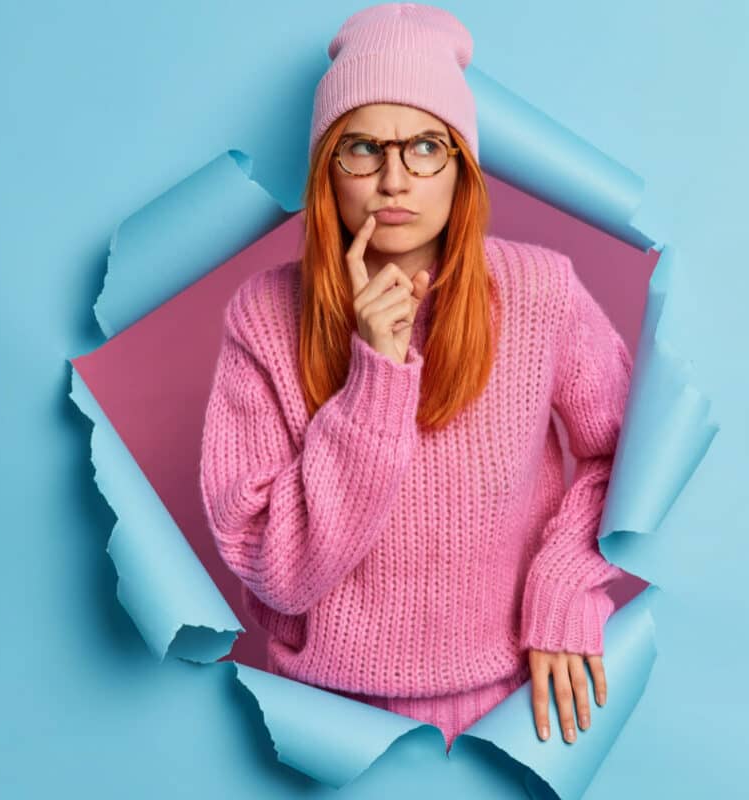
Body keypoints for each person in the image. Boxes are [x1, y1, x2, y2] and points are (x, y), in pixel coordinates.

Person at [198, 2, 632, 752]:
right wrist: (376, 374)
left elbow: (627, 457)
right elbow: (274, 568)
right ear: (327, 168)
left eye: (426, 146)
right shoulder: (265, 315)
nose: (395, 178)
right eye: (362, 148)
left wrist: (565, 588)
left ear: (461, 166)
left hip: (517, 710)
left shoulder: (539, 292)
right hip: (326, 721)